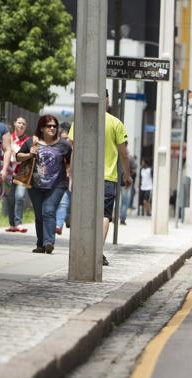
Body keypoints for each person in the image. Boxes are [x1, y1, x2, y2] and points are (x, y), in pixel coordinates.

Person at [68, 91, 132, 265]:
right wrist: (127, 175)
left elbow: (74, 150)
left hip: (84, 176)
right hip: (108, 177)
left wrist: (72, 176)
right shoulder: (115, 123)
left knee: (83, 213)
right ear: (107, 99)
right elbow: (124, 154)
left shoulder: (79, 121)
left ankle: (81, 251)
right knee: (104, 215)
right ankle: (97, 252)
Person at [15, 115, 72, 254]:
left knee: (49, 211)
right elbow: (18, 157)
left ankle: (48, 243)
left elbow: (70, 161)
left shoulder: (63, 145)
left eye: (54, 126)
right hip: (35, 185)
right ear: (42, 128)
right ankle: (40, 244)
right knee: (39, 215)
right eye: (49, 126)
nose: (52, 128)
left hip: (57, 185)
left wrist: (70, 176)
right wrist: (29, 154)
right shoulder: (32, 142)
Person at [1, 117, 31, 233]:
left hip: (22, 174)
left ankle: (18, 223)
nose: (21, 125)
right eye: (19, 123)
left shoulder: (28, 140)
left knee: (20, 196)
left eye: (24, 123)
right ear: (15, 124)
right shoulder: (9, 137)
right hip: (9, 174)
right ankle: (12, 224)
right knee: (10, 198)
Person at [55, 122, 72, 234]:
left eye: (67, 139)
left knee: (66, 204)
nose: (65, 141)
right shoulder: (57, 148)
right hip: (59, 180)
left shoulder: (74, 150)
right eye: (63, 139)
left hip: (70, 180)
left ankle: (62, 222)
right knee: (62, 203)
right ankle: (59, 224)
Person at [119, 151, 136, 224]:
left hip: (116, 180)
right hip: (125, 182)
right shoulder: (130, 157)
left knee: (116, 201)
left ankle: (115, 216)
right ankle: (122, 219)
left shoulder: (117, 155)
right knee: (125, 202)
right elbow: (134, 169)